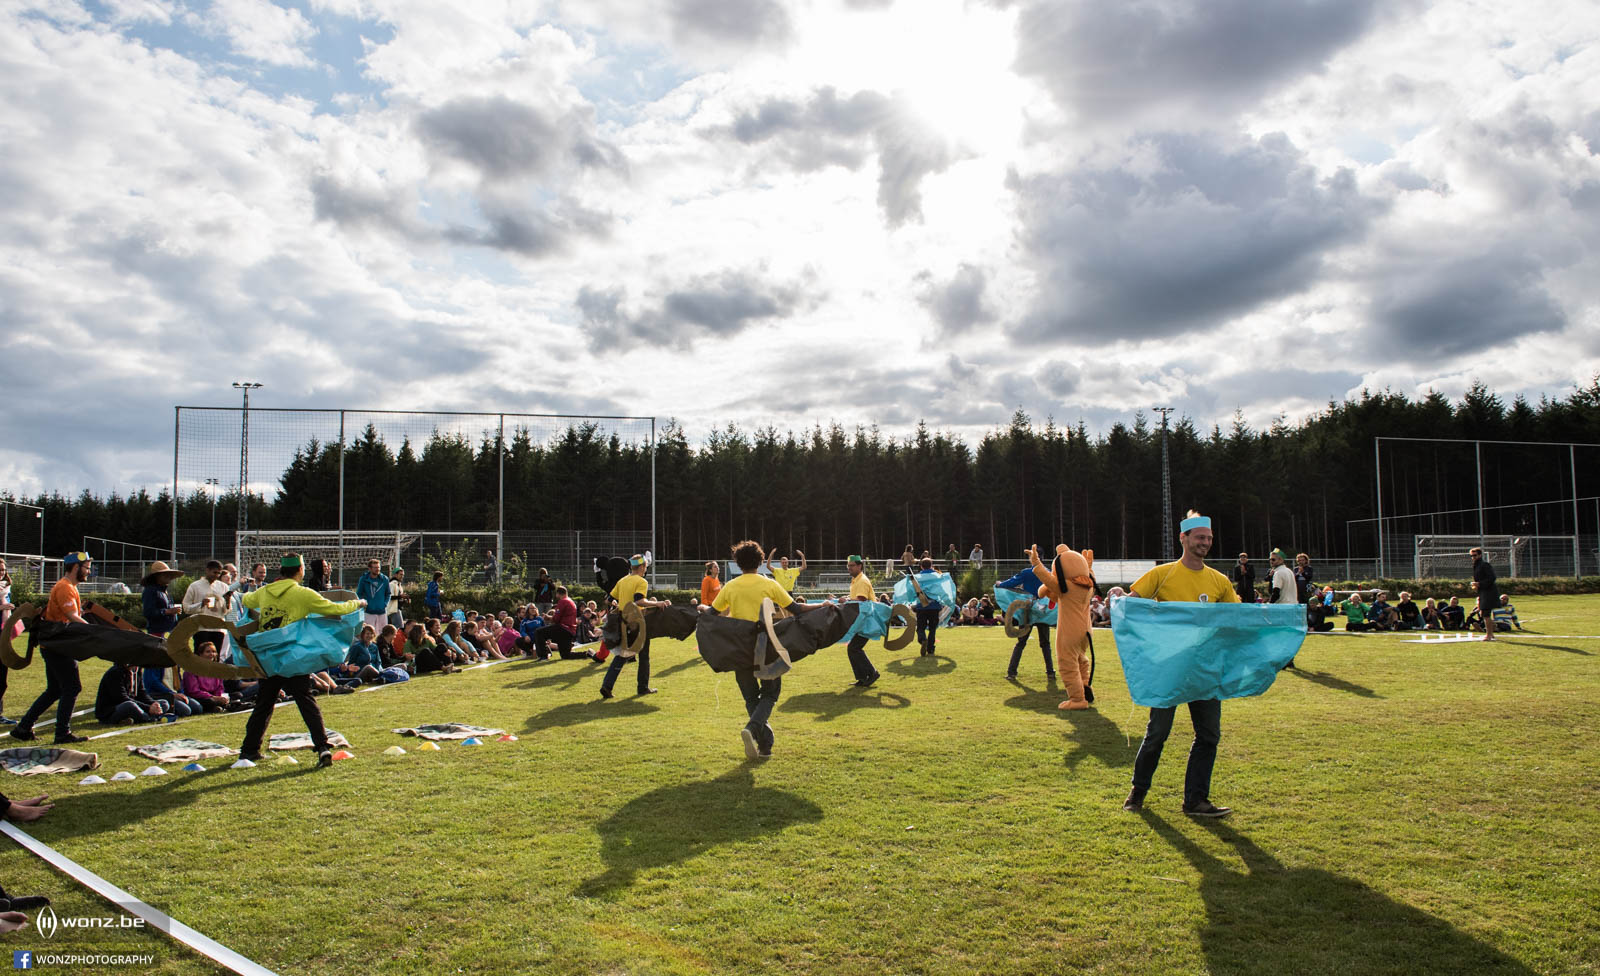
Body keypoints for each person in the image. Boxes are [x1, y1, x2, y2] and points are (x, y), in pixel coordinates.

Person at [1123, 510, 1239, 819]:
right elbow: (1132, 604)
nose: (1205, 543)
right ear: (1183, 538)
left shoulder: (1219, 581)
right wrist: (1122, 597)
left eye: (1209, 538)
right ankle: (1138, 791)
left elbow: (1237, 619)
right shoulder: (1162, 574)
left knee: (1209, 735)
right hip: (1169, 669)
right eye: (1200, 537)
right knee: (1158, 733)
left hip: (1205, 670)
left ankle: (1195, 801)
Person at [238, 554, 363, 768]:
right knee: (306, 701)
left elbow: (246, 600)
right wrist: (358, 602)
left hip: (268, 658)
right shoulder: (302, 594)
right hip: (292, 659)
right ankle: (322, 747)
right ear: (300, 570)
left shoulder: (265, 591)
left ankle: (249, 751)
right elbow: (335, 609)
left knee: (264, 704)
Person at [711, 540, 795, 759]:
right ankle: (752, 729)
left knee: (750, 697)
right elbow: (796, 608)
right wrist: (823, 606)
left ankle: (765, 746)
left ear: (738, 563)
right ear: (760, 561)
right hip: (765, 646)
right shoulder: (769, 584)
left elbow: (711, 614)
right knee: (770, 692)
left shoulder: (730, 586)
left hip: (739, 648)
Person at [11, 552, 98, 743]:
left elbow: (70, 614)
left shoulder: (70, 587)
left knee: (55, 690)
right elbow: (72, 616)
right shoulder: (65, 587)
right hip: (59, 645)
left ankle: (23, 728)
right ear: (76, 567)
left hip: (55, 644)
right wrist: (93, 631)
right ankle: (62, 733)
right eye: (86, 568)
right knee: (72, 688)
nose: (88, 572)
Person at [599, 555, 668, 698]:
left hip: (623, 621)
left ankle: (607, 685)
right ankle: (642, 687)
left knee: (623, 654)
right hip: (637, 622)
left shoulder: (622, 581)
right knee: (643, 656)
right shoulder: (641, 581)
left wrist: (619, 605)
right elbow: (640, 601)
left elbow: (608, 599)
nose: (645, 570)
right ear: (641, 567)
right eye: (645, 567)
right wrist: (657, 603)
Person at [996, 556, 1053, 679]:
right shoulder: (1048, 573)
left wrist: (1000, 584)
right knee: (1045, 643)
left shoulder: (1027, 572)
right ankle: (1050, 672)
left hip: (1027, 610)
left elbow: (1011, 583)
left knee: (1021, 643)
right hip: (1043, 611)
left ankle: (1012, 672)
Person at [182, 559, 230, 663]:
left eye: (219, 573)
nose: (216, 575)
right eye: (214, 572)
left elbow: (226, 611)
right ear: (207, 570)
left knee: (215, 659)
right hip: (201, 628)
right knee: (200, 658)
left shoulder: (224, 587)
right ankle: (197, 678)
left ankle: (213, 679)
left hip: (218, 628)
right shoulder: (195, 586)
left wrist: (227, 601)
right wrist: (201, 604)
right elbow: (186, 607)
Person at [843, 555, 880, 687]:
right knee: (853, 648)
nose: (849, 568)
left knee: (854, 648)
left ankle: (872, 673)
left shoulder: (862, 581)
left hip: (867, 620)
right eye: (848, 566)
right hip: (862, 620)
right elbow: (856, 598)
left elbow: (862, 600)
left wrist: (846, 601)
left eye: (852, 565)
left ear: (860, 566)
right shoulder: (856, 580)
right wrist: (848, 598)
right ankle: (863, 677)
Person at [96, 660, 167, 725]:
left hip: (134, 705)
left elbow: (142, 693)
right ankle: (149, 718)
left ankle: (133, 718)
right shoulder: (115, 672)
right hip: (111, 711)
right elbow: (121, 698)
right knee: (129, 705)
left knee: (164, 703)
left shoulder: (137, 671)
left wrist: (153, 704)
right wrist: (148, 708)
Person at [906, 556, 946, 656]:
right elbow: (942, 590)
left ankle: (923, 639)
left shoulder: (917, 577)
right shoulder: (937, 576)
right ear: (931, 565)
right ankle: (931, 649)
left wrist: (911, 601)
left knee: (920, 627)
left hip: (921, 606)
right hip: (934, 606)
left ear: (921, 567)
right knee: (932, 628)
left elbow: (911, 591)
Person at [181, 643, 233, 712]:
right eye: (208, 652)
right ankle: (216, 707)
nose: (211, 654)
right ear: (200, 654)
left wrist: (219, 697)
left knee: (237, 695)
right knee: (209, 702)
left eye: (213, 652)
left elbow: (220, 687)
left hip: (214, 697)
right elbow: (193, 691)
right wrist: (213, 697)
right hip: (199, 697)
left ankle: (222, 706)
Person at [140, 560, 183, 640]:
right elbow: (148, 612)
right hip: (157, 633)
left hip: (170, 631)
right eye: (165, 574)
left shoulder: (165, 591)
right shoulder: (150, 590)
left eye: (169, 574)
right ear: (157, 576)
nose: (169, 576)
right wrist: (168, 611)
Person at [1470, 547, 1501, 642]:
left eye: (1475, 555)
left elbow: (1492, 578)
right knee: (1484, 613)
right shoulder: (1477, 565)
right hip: (1483, 592)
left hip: (1489, 592)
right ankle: (1491, 634)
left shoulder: (1484, 565)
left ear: (1479, 555)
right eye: (1471, 556)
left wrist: (1479, 584)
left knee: (1485, 613)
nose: (1473, 557)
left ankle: (1489, 635)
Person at [356, 559, 390, 635]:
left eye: (378, 567)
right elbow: (359, 593)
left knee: (383, 633)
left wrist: (385, 604)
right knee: (369, 633)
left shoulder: (384, 579)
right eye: (375, 567)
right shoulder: (364, 579)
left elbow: (388, 593)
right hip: (369, 612)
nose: (377, 569)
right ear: (370, 569)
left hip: (382, 612)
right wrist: (365, 604)